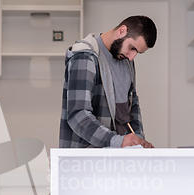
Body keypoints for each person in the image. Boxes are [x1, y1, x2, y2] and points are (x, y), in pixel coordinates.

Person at [60, 15, 157, 148]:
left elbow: (132, 105)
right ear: (122, 30)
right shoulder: (85, 55)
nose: (131, 57)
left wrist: (138, 140)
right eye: (132, 48)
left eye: (137, 53)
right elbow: (78, 115)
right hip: (86, 159)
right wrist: (117, 141)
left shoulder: (126, 61)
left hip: (118, 158)